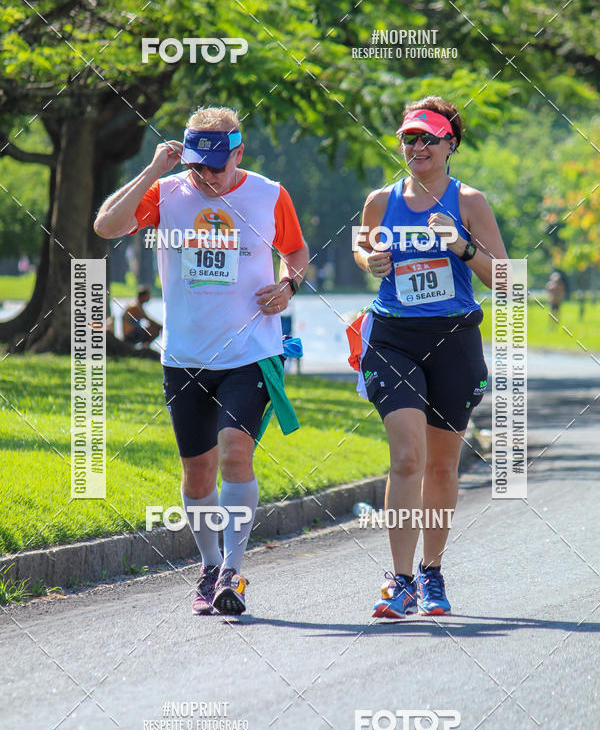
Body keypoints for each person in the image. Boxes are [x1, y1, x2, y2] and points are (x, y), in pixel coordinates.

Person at [95, 106, 308, 615]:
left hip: (250, 352)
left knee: (236, 452)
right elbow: (106, 226)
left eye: (216, 164)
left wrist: (288, 285)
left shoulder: (269, 194)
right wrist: (152, 171)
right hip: (185, 356)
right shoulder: (168, 192)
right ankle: (210, 565)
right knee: (197, 475)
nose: (206, 175)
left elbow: (296, 253)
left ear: (239, 152)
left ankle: (233, 570)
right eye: (196, 164)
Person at [349, 96, 508, 619]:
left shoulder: (470, 201)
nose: (417, 147)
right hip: (392, 337)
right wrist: (368, 259)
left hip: (454, 339)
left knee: (441, 464)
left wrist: (462, 246)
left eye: (429, 138)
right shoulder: (379, 200)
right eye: (409, 138)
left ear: (450, 145)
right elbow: (360, 243)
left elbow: (506, 279)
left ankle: (431, 572)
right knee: (407, 457)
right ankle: (398, 580)